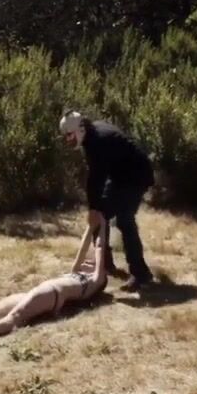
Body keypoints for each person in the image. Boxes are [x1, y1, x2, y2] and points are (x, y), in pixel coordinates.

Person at [0, 223, 110, 345]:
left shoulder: (95, 280)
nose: (88, 261)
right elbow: (84, 247)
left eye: (92, 262)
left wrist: (102, 223)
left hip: (53, 293)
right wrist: (92, 225)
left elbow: (100, 247)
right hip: (45, 292)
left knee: (15, 317)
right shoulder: (77, 272)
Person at [59, 110, 154, 292]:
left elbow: (96, 179)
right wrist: (95, 209)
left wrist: (93, 208)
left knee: (124, 219)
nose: (67, 139)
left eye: (69, 135)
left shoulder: (98, 141)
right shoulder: (90, 136)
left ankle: (141, 274)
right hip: (120, 176)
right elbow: (96, 178)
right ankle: (104, 264)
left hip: (137, 176)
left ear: (80, 129)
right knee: (99, 217)